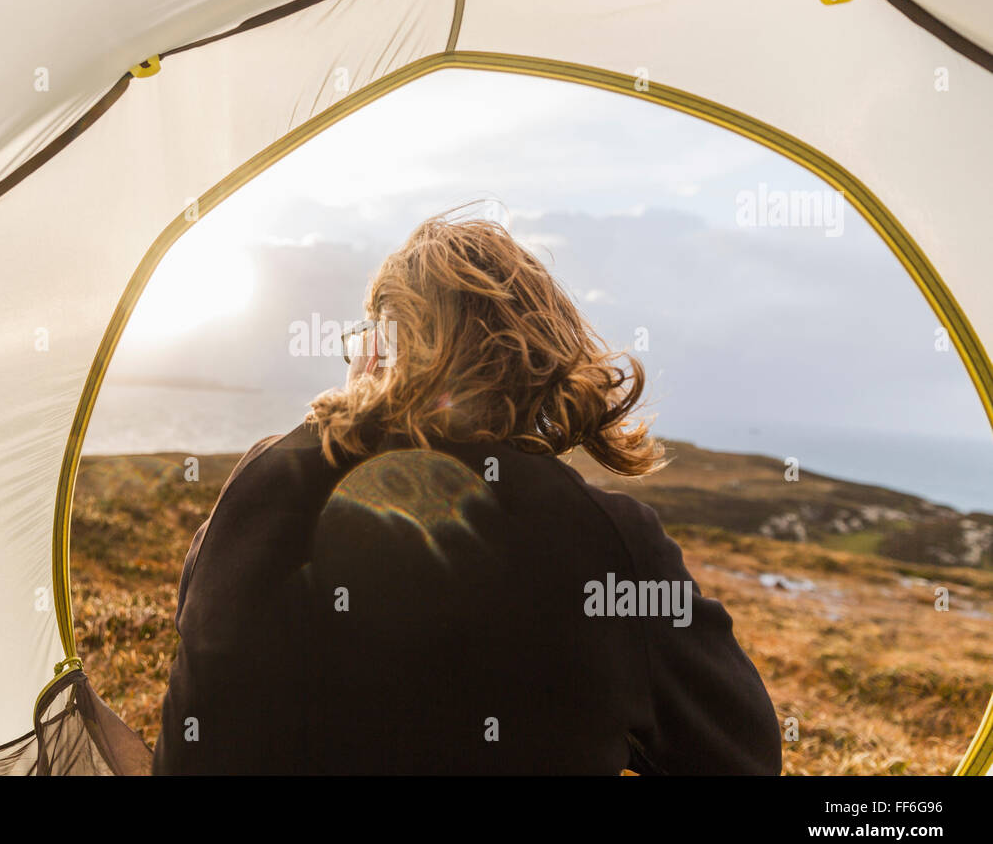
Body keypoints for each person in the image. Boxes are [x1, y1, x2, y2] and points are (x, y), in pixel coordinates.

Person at [152, 207, 782, 775]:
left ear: (377, 355)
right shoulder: (607, 543)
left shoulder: (259, 483)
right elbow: (743, 757)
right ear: (540, 359)